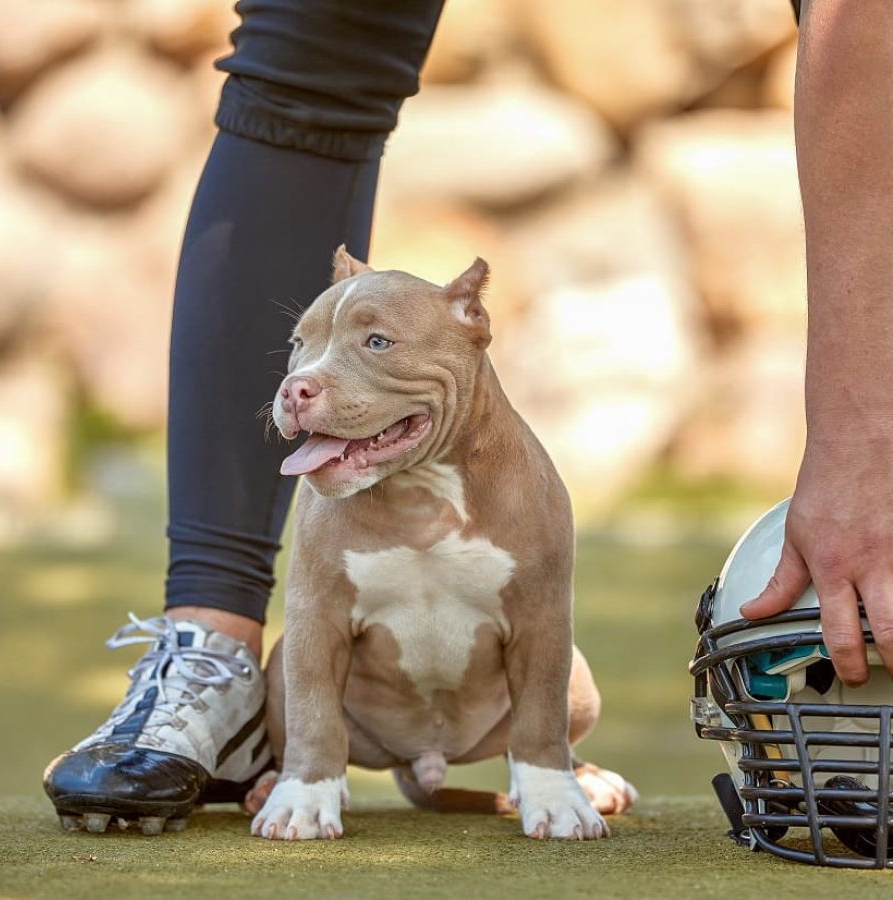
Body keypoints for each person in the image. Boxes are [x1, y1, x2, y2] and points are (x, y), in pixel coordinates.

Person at [43, 0, 893, 829]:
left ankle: (536, 755)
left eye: (368, 346)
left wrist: (862, 455)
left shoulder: (517, 474)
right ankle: (213, 652)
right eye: (299, 353)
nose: (302, 378)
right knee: (312, 38)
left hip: (496, 703)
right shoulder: (339, 459)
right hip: (363, 713)